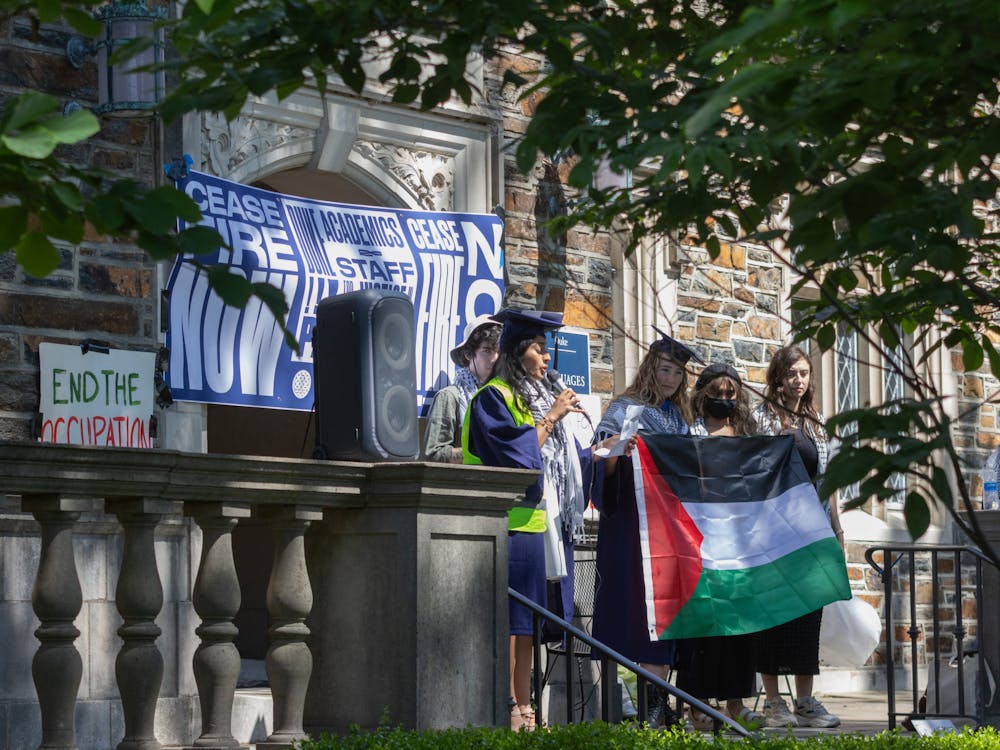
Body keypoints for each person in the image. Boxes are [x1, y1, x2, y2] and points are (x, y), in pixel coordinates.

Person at [462, 309, 617, 731]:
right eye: (537, 348)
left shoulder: (535, 396)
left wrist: (603, 454)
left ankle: (527, 705)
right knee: (511, 622)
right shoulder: (493, 398)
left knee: (529, 623)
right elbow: (519, 458)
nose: (546, 358)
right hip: (505, 525)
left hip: (543, 525)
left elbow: (561, 467)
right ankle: (509, 706)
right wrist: (551, 416)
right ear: (517, 352)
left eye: (546, 349)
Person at [591, 329, 701, 729]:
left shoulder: (679, 418)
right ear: (650, 368)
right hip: (633, 529)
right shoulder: (625, 407)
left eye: (677, 372)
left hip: (671, 528)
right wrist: (621, 445)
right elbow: (598, 452)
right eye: (664, 369)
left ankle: (657, 704)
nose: (670, 378)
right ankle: (650, 706)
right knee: (641, 614)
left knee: (669, 613)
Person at [752, 344, 844, 728]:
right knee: (772, 614)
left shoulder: (817, 422)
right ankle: (774, 703)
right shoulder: (761, 418)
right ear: (778, 376)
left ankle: (805, 701)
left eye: (804, 374)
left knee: (809, 616)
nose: (799, 381)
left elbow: (830, 481)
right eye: (792, 374)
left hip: (812, 532)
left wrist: (837, 528)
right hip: (773, 532)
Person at [676, 363, 764, 729]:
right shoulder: (690, 432)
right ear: (702, 395)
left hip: (740, 541)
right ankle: (698, 704)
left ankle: (735, 702)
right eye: (717, 393)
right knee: (704, 625)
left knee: (738, 624)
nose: (724, 400)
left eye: (730, 394)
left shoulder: (747, 433)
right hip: (701, 539)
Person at [422, 315, 501, 462]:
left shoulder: (503, 395)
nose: (495, 358)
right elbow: (433, 454)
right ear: (469, 354)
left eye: (498, 351)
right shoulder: (450, 397)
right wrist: (480, 452)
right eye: (487, 351)